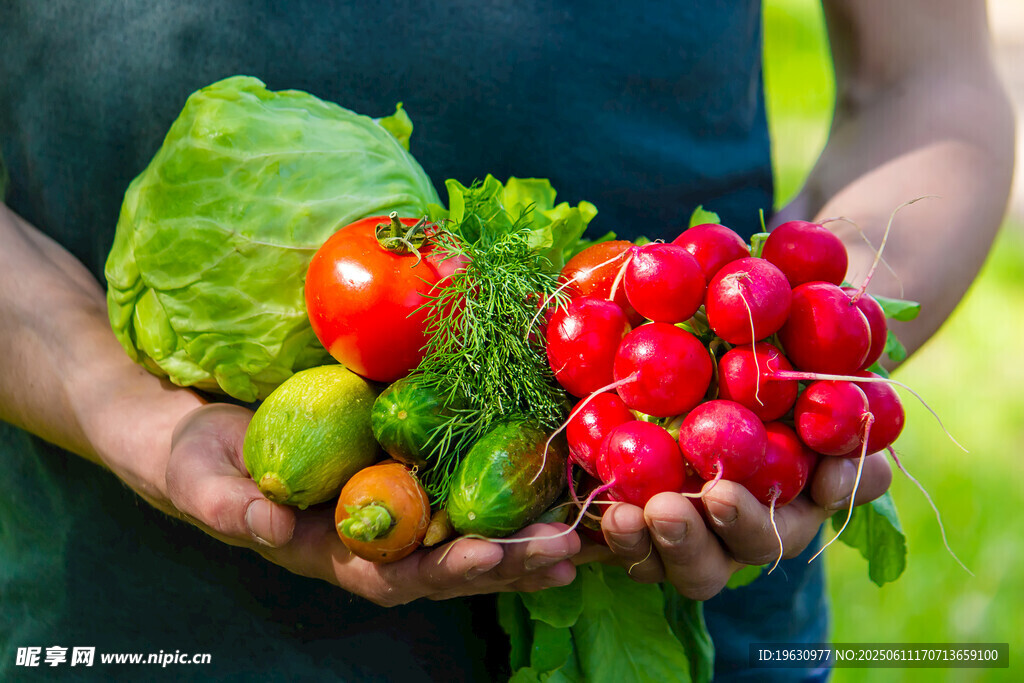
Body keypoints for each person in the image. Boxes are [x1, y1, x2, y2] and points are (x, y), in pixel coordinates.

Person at [0, 0, 1012, 679]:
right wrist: (105, 396)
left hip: (683, 539)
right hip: (130, 604)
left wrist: (809, 343)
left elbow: (927, 86)